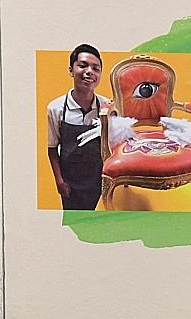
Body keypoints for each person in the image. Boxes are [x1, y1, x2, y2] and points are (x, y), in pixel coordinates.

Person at [46, 44, 111, 210]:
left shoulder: (108, 107)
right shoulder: (56, 108)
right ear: (71, 70)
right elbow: (52, 149)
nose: (89, 71)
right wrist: (59, 181)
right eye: (82, 65)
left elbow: (114, 147)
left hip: (99, 182)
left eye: (96, 68)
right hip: (70, 185)